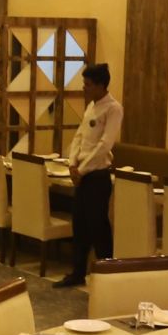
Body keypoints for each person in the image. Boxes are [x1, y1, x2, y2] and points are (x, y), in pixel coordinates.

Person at [56, 62, 123, 288]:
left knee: (98, 227)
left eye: (87, 84)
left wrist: (82, 170)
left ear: (101, 85)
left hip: (97, 176)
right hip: (82, 175)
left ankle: (107, 275)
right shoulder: (91, 107)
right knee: (80, 226)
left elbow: (104, 145)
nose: (84, 88)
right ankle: (77, 272)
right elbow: (79, 137)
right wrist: (72, 163)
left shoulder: (113, 109)